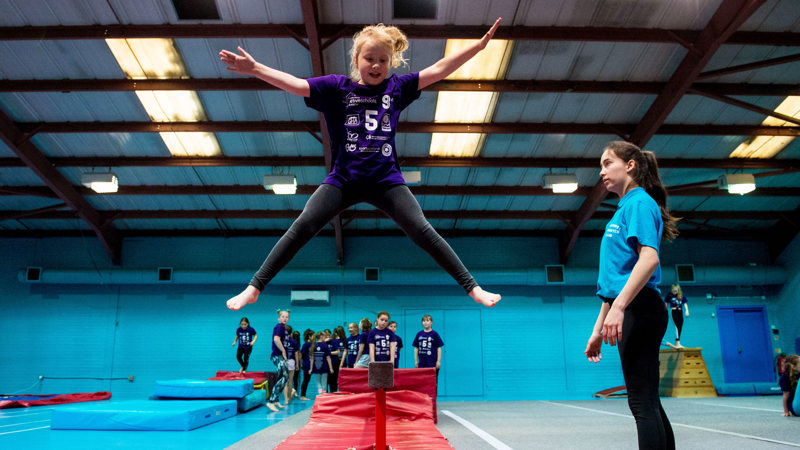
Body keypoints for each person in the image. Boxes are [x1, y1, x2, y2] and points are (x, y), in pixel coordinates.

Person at [220, 19, 504, 312]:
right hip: (343, 180)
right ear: (356, 59)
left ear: (391, 62)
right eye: (370, 58)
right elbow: (296, 85)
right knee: (304, 225)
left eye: (383, 60)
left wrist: (478, 48)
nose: (376, 65)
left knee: (421, 230)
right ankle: (254, 288)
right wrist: (255, 69)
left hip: (387, 181)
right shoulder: (336, 88)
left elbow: (439, 69)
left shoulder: (397, 87)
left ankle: (473, 288)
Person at [584, 141, 679, 450]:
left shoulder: (639, 203)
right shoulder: (625, 207)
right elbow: (613, 281)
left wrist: (620, 308)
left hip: (640, 307)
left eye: (607, 163)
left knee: (641, 402)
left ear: (630, 165)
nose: (601, 172)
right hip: (632, 307)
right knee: (648, 401)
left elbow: (649, 259)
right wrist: (598, 329)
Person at [267, 309, 291, 412]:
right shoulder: (279, 326)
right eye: (283, 317)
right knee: (284, 376)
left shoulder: (284, 328)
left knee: (283, 377)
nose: (285, 318)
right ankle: (271, 401)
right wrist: (283, 352)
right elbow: (276, 339)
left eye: (287, 317)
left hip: (281, 355)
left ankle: (276, 399)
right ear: (279, 318)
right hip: (277, 355)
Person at [663, 283, 689, 348]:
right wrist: (664, 311)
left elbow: (684, 303)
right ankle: (677, 343)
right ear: (671, 290)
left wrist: (687, 310)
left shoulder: (681, 294)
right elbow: (666, 304)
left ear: (678, 290)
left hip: (680, 311)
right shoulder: (669, 295)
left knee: (680, 326)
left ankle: (678, 342)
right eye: (673, 291)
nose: (674, 292)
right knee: (677, 326)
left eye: (676, 291)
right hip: (674, 311)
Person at [311, 330, 333, 395]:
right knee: (324, 381)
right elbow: (328, 357)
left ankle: (320, 391)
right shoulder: (325, 345)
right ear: (321, 337)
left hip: (316, 366)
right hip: (324, 366)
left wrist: (311, 368)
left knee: (318, 381)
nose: (325, 337)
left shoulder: (314, 345)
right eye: (324, 336)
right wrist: (331, 368)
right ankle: (324, 393)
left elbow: (312, 358)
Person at [283, 325, 299, 404]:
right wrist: (297, 364)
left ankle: (286, 399)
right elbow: (296, 354)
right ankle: (289, 398)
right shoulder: (294, 341)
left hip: (284, 361)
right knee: (290, 381)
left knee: (285, 381)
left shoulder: (282, 340)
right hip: (291, 361)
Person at [328, 326, 346, 392]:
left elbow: (337, 351)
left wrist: (328, 353)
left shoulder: (334, 341)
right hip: (342, 361)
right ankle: (342, 391)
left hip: (336, 361)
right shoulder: (345, 340)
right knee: (341, 378)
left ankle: (334, 392)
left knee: (334, 378)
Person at [299, 328, 314, 401]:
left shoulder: (311, 344)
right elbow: (301, 354)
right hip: (306, 364)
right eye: (313, 336)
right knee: (306, 380)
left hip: (309, 364)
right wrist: (300, 363)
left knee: (307, 380)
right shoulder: (306, 344)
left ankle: (303, 395)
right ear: (309, 336)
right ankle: (302, 395)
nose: (314, 337)